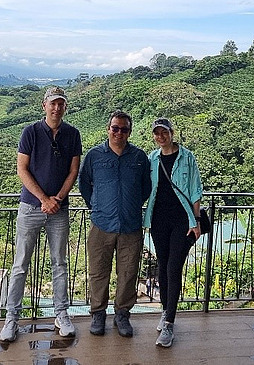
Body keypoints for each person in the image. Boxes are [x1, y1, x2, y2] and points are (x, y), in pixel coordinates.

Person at [0, 86, 82, 342]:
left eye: (61, 104)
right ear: (44, 105)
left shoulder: (72, 134)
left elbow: (73, 172)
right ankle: (11, 318)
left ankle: (61, 314)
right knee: (20, 264)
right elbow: (22, 170)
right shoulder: (31, 132)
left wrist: (56, 199)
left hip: (59, 209)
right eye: (52, 103)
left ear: (65, 107)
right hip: (31, 207)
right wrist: (44, 199)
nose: (57, 108)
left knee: (59, 264)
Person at [78, 110, 151, 337]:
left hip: (130, 226)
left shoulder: (139, 157)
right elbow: (84, 184)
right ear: (108, 129)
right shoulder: (94, 156)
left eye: (124, 129)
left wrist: (129, 204)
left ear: (130, 132)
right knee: (99, 272)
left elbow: (146, 188)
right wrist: (97, 206)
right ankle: (98, 313)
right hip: (101, 224)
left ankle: (122, 314)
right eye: (115, 128)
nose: (119, 132)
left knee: (128, 273)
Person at [143, 117, 203, 348]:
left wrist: (196, 220)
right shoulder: (152, 158)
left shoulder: (187, 157)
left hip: (182, 220)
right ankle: (166, 310)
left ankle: (169, 323)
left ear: (172, 133)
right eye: (157, 133)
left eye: (164, 132)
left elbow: (195, 189)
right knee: (163, 266)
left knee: (173, 267)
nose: (161, 136)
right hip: (158, 220)